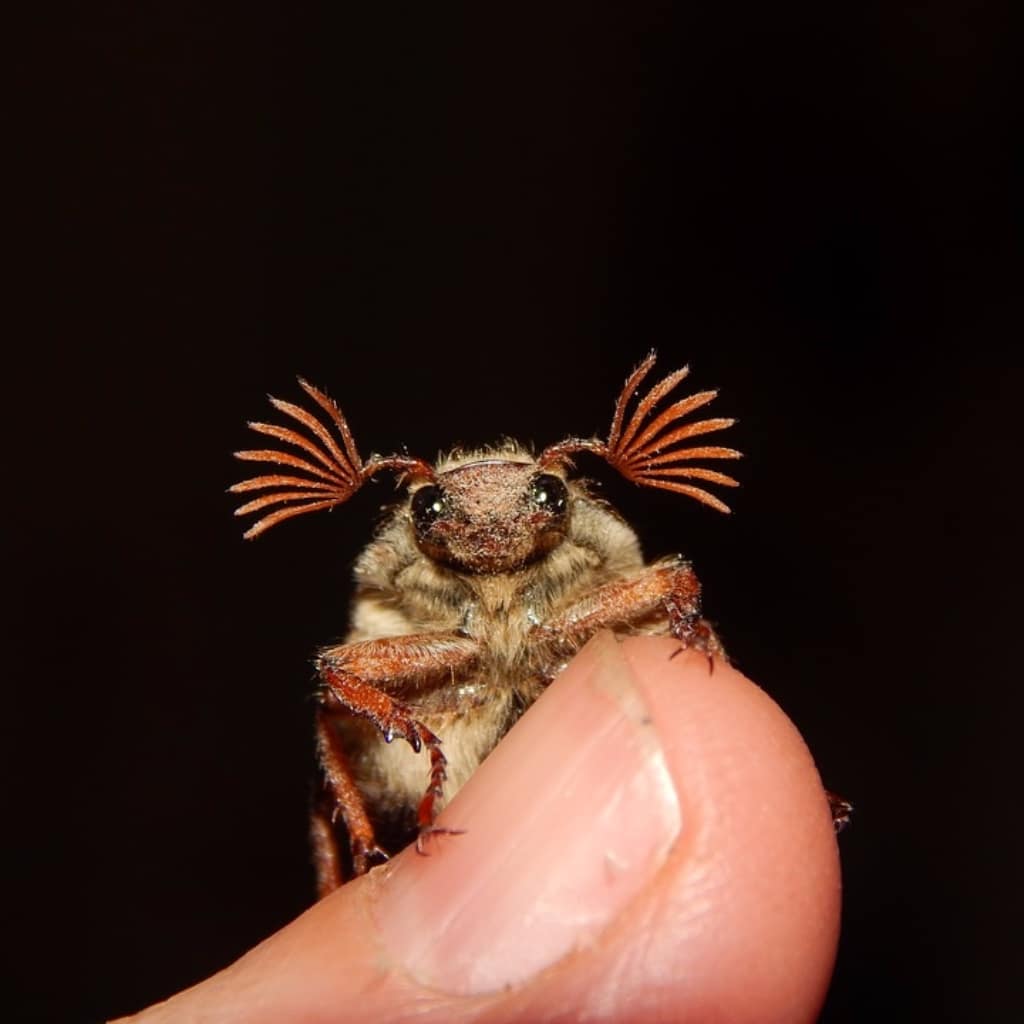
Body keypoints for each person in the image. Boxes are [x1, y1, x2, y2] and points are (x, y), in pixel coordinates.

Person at [115, 632, 842, 1023]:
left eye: (543, 499)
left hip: (557, 701)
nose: (490, 524)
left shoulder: (590, 566)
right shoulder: (404, 582)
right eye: (438, 509)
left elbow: (671, 591)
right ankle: (358, 865)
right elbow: (341, 674)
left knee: (681, 625)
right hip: (438, 724)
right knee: (334, 699)